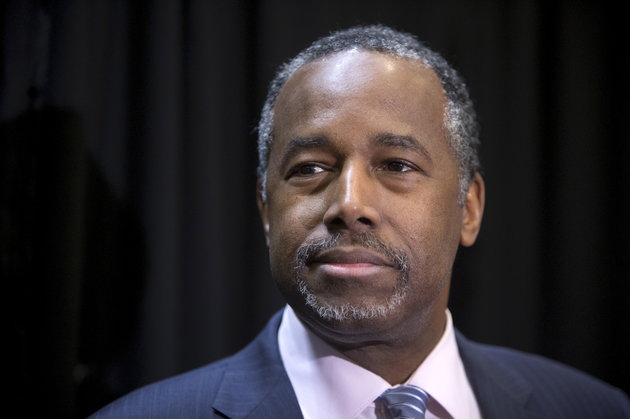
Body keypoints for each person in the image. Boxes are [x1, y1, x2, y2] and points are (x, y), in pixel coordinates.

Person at [90, 25, 630, 419]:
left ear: (469, 207)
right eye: (310, 168)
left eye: (396, 165)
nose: (349, 203)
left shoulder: (596, 409)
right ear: (265, 211)